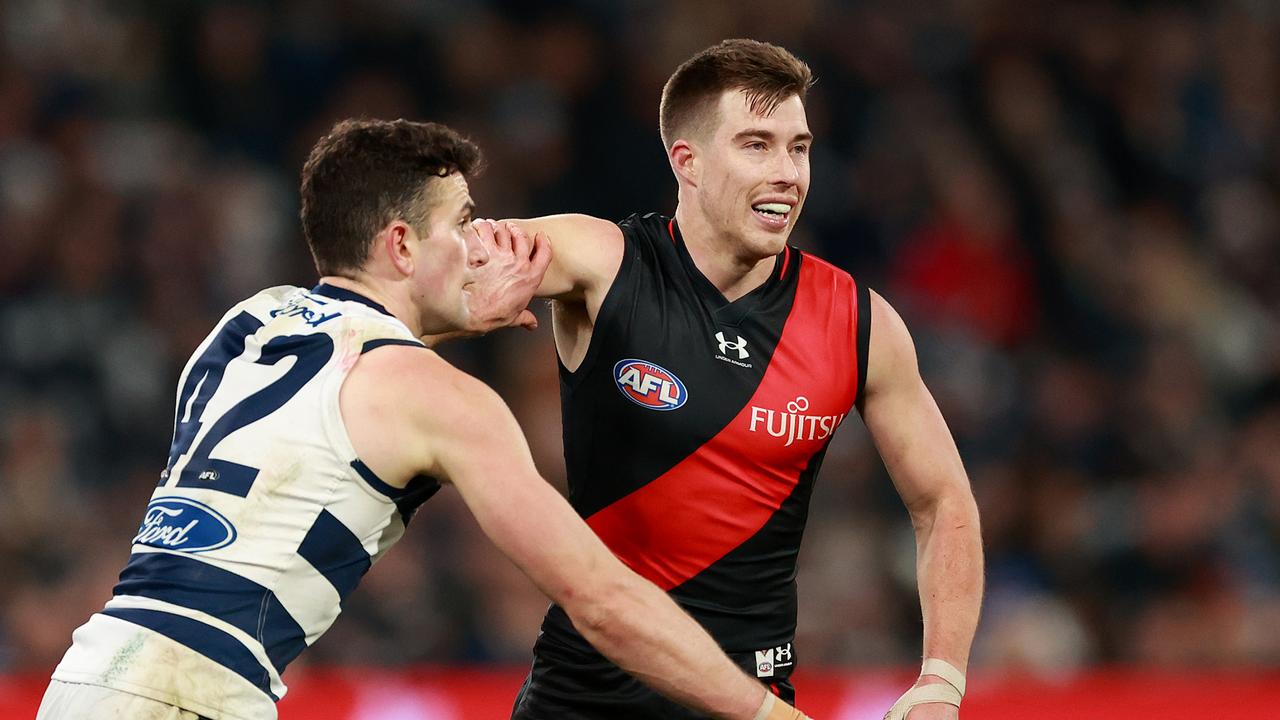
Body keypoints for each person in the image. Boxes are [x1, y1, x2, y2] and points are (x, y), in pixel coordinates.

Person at [37, 119, 811, 720]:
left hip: (93, 670)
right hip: (196, 696)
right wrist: (759, 707)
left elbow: (357, 363)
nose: (482, 244)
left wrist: (455, 320)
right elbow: (600, 600)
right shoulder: (442, 399)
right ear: (403, 243)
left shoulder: (247, 321)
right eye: (464, 222)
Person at [506, 39, 984, 720]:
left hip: (756, 705)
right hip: (582, 699)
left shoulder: (857, 322)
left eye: (800, 147)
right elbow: (470, 257)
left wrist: (942, 679)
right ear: (688, 162)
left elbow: (943, 502)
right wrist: (468, 281)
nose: (788, 172)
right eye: (757, 145)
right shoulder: (607, 264)